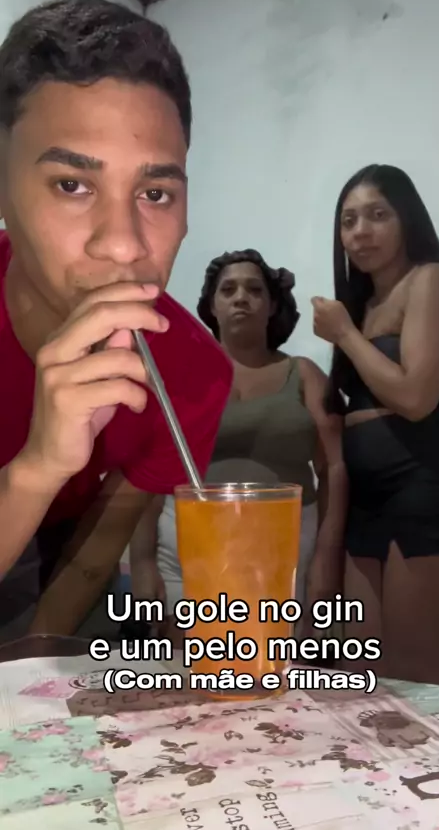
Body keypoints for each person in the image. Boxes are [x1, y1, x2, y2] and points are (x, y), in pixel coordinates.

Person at [0, 0, 233, 640]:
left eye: (155, 193)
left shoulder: (194, 375)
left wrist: (29, 668)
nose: (125, 246)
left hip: (63, 543)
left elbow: (95, 554)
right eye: (72, 185)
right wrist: (38, 466)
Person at [312, 163, 439, 686]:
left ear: (408, 219)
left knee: (420, 678)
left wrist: (344, 334)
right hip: (368, 498)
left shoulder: (431, 279)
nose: (360, 231)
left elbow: (414, 397)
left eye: (378, 215)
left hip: (429, 482)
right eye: (349, 220)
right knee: (363, 675)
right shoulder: (362, 306)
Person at [130, 249, 347, 645]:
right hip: (188, 546)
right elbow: (149, 471)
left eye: (254, 290)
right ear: (211, 306)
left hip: (286, 551)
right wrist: (142, 561)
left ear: (273, 305)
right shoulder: (181, 377)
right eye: (227, 290)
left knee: (276, 669)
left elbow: (334, 469)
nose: (241, 298)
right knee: (190, 671)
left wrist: (327, 560)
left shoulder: (304, 375)